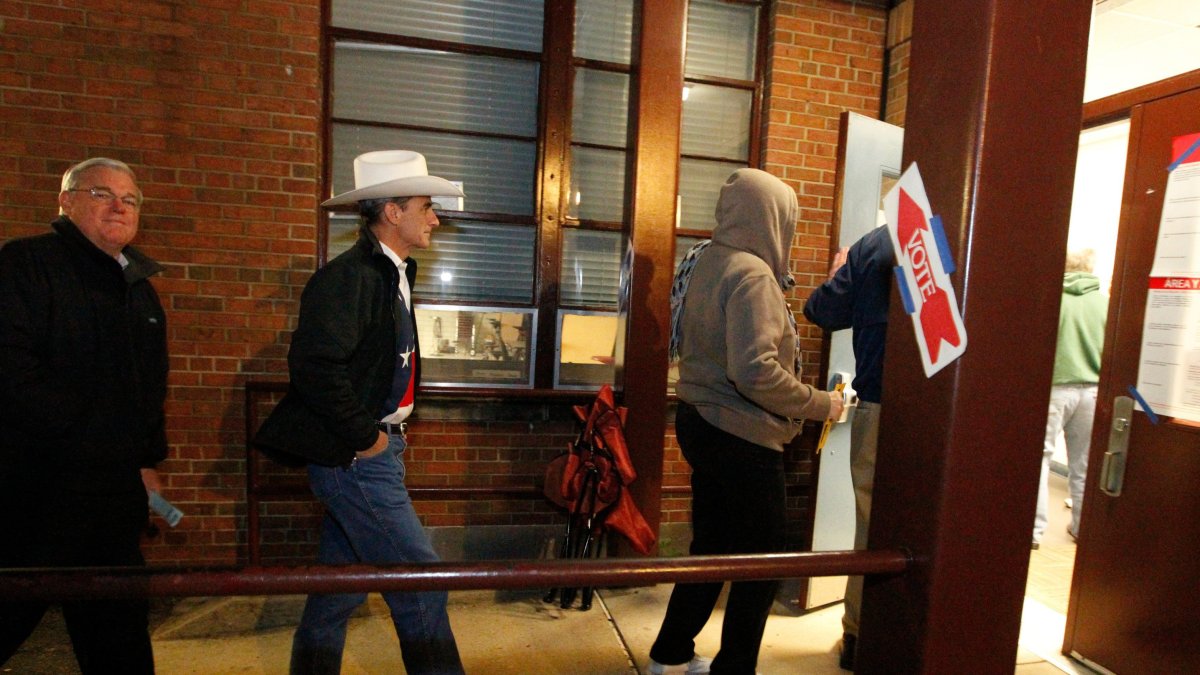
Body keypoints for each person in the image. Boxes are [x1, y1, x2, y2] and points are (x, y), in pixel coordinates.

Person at [253, 150, 466, 675]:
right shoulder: (350, 277)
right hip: (358, 457)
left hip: (370, 452)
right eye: (425, 206)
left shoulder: (388, 273)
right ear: (392, 212)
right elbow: (315, 366)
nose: (434, 217)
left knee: (337, 592)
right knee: (421, 585)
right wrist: (365, 438)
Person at [651, 168, 844, 675]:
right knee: (764, 563)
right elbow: (755, 371)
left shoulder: (706, 261)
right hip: (742, 434)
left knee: (711, 549)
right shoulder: (753, 275)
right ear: (771, 218)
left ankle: (670, 654)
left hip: (701, 422)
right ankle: (734, 666)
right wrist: (822, 403)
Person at [0, 157, 168, 674]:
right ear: (65, 202)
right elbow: (11, 369)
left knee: (118, 632)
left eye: (130, 199)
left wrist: (144, 459)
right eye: (101, 193)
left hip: (111, 497)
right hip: (34, 488)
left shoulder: (139, 287)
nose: (119, 205)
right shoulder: (26, 266)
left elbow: (148, 388)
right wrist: (92, 438)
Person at [802, 224, 893, 672]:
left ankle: (859, 637)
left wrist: (841, 268)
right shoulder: (976, 228)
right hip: (954, 411)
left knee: (870, 525)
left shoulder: (875, 244)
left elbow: (820, 309)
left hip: (879, 402)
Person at [1033, 249, 1107, 547]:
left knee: (1040, 459)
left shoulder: (1053, 301)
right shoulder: (1104, 305)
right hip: (1092, 391)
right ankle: (1081, 528)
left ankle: (1034, 532)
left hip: (1053, 390)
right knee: (1085, 463)